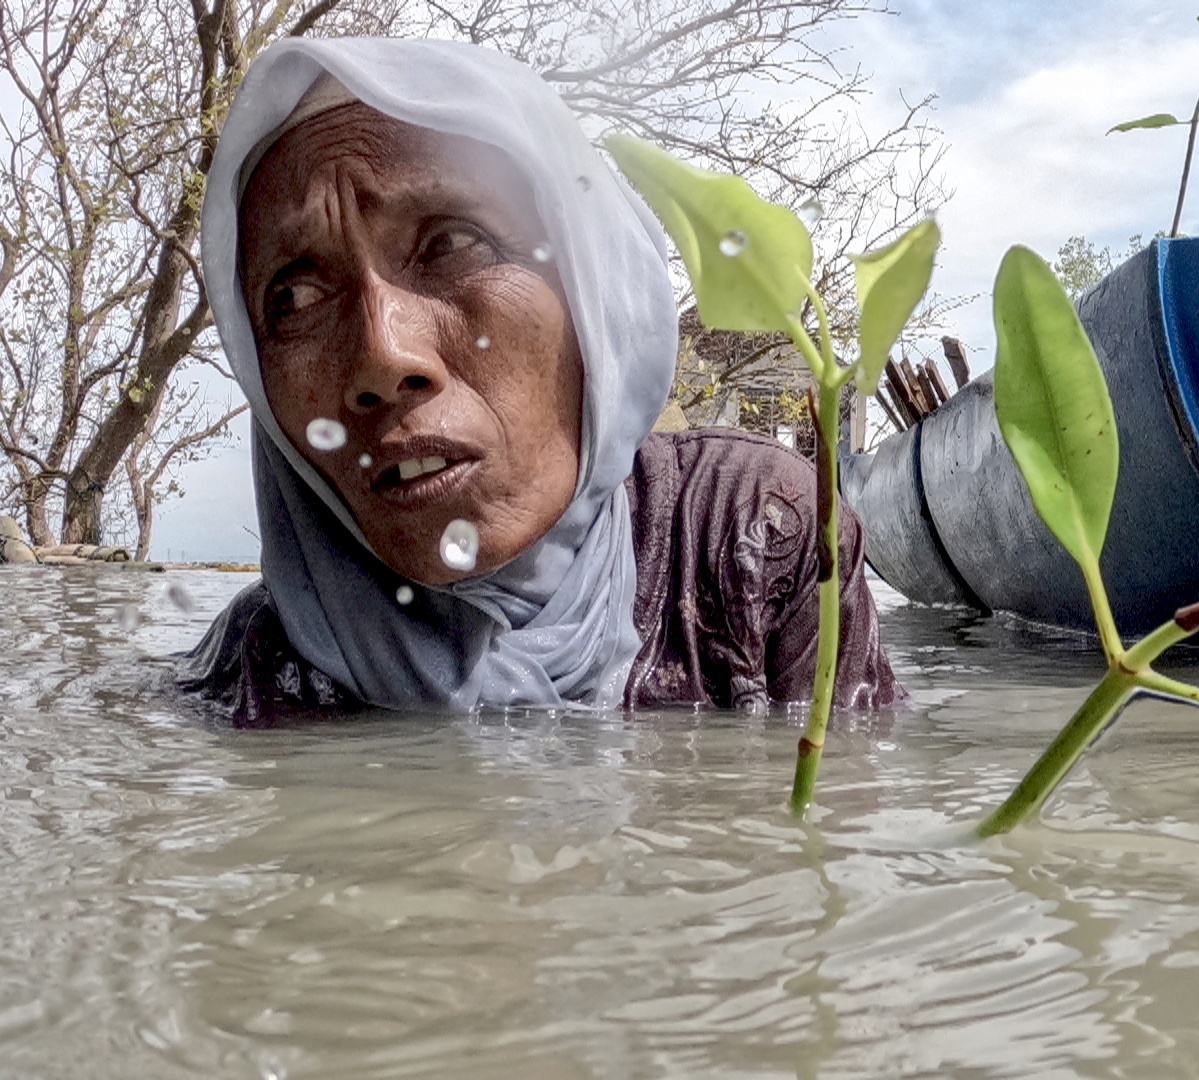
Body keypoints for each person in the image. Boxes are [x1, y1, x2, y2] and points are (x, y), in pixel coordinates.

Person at [181, 37, 902, 723]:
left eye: (453, 243)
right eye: (296, 297)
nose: (383, 357)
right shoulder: (259, 665)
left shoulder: (749, 536)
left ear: (594, 290)